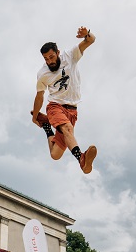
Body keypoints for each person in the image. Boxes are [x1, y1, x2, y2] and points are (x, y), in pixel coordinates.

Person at [31, 27, 97, 174]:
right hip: (55, 107)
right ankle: (82, 158)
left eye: (52, 57)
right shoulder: (42, 74)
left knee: (55, 155)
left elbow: (91, 40)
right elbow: (39, 96)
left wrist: (86, 34)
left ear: (58, 53)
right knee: (68, 129)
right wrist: (35, 116)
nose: (50, 61)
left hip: (72, 110)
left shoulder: (70, 55)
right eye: (46, 59)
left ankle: (47, 126)